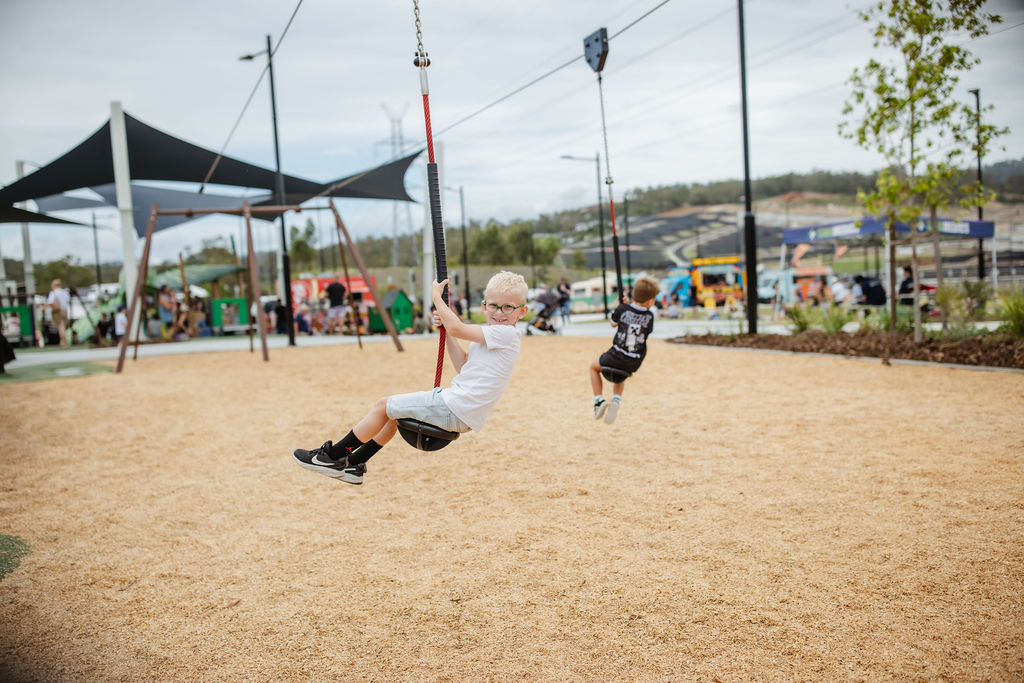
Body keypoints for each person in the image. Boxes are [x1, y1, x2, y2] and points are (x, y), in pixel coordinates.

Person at [293, 270, 529, 485]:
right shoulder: (489, 336)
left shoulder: (507, 334)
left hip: (455, 406)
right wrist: (447, 331)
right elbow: (462, 365)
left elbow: (457, 327)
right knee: (394, 415)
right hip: (459, 408)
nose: (499, 313)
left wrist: (436, 297)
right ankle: (355, 463)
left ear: (522, 311)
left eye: (508, 307)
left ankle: (332, 457)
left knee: (383, 405)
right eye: (494, 306)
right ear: (484, 305)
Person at [589, 276, 660, 425]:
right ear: (649, 302)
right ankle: (616, 399)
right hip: (633, 362)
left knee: (593, 368)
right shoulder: (650, 316)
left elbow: (613, 324)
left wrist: (623, 307)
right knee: (621, 373)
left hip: (614, 357)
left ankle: (598, 400)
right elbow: (644, 327)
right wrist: (629, 307)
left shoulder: (622, 309)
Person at [46, 278, 71, 348]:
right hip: (64, 310)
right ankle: (63, 341)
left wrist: (43, 308)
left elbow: (50, 302)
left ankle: (63, 342)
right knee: (63, 326)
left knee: (60, 327)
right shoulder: (65, 292)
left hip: (57, 312)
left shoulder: (53, 293)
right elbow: (68, 301)